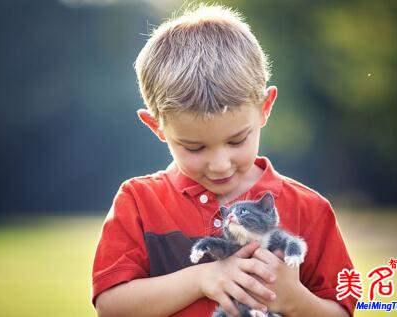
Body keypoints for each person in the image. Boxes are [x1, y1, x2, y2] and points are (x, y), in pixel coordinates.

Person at [91, 4, 356, 317]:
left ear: (265, 108)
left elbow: (341, 310)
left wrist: (294, 300)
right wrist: (202, 277)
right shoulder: (139, 202)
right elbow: (111, 307)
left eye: (236, 141)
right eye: (194, 147)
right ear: (156, 126)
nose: (220, 164)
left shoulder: (309, 210)